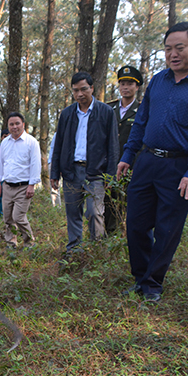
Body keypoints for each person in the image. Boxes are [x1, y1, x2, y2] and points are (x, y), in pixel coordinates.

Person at [117, 22, 188, 302]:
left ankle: (153, 284)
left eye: (180, 48)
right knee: (137, 223)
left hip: (179, 168)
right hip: (147, 161)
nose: (173, 54)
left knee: (167, 228)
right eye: (168, 49)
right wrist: (128, 155)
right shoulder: (158, 81)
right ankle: (140, 278)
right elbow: (141, 122)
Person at [50, 71, 119, 256]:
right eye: (75, 91)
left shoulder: (105, 112)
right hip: (71, 172)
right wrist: (54, 173)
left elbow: (112, 145)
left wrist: (110, 175)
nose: (80, 94)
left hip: (95, 172)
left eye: (83, 89)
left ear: (92, 88)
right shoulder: (67, 114)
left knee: (95, 212)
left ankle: (96, 250)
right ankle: (74, 250)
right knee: (73, 213)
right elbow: (59, 145)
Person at [105, 65, 143, 234]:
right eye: (122, 84)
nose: (125, 87)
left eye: (130, 84)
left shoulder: (142, 111)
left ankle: (121, 237)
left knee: (125, 203)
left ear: (137, 86)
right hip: (108, 165)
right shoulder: (108, 109)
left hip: (131, 166)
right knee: (107, 203)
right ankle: (106, 237)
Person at [0, 112, 41, 249]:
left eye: (17, 123)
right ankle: (11, 243)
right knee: (8, 218)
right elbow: (1, 164)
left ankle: (29, 242)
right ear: (8, 126)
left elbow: (35, 164)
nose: (14, 127)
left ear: (23, 125)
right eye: (11, 124)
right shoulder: (5, 142)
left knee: (18, 217)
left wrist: (32, 185)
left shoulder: (31, 142)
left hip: (24, 186)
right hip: (8, 186)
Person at [0, 129, 10, 217]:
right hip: (1, 174)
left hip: (10, 175)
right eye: (4, 136)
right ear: (1, 138)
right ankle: (0, 212)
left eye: (8, 136)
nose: (6, 138)